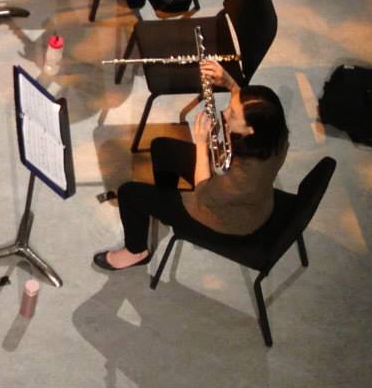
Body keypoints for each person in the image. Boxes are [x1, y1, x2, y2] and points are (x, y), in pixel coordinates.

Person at [94, 68, 289, 272]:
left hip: (224, 220)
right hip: (244, 200)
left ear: (250, 130)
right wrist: (230, 84)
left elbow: (203, 192)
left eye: (232, 114)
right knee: (162, 147)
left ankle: (136, 252)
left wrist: (201, 142)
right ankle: (164, 202)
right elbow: (245, 110)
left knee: (129, 193)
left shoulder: (244, 178)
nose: (224, 113)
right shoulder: (276, 135)